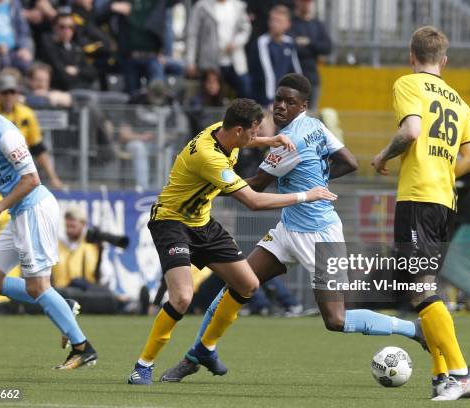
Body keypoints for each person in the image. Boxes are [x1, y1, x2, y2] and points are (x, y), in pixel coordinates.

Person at [158, 74, 425, 383]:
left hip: (321, 235)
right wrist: (315, 183)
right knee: (240, 284)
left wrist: (209, 182)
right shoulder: (316, 126)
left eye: (289, 102)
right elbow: (349, 161)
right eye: (278, 100)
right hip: (288, 229)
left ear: (303, 105)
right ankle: (198, 353)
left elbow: (254, 189)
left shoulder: (290, 143)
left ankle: (412, 330)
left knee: (336, 320)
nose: (281, 107)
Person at [127, 97, 337, 385]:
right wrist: (306, 195)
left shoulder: (223, 131)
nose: (255, 136)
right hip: (171, 222)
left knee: (248, 284)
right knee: (183, 297)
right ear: (239, 130)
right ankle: (143, 366)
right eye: (253, 131)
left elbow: (247, 141)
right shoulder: (208, 156)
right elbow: (252, 201)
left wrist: (270, 139)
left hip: (202, 222)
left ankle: (205, 348)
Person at [369, 26, 470, 400]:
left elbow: (412, 131)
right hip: (444, 201)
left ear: (411, 56)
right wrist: (446, 171)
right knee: (424, 287)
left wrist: (383, 156)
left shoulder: (409, 83)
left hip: (417, 197)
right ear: (444, 60)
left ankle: (462, 373)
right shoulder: (459, 101)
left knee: (419, 290)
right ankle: (441, 376)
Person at [0, 76, 97, 369]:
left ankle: (82, 347)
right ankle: (61, 304)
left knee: (38, 287)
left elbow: (32, 179)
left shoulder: (6, 134)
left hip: (34, 209)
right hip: (17, 212)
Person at [0, 74, 64, 189]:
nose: (9, 96)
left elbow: (38, 148)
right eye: (5, 93)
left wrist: (53, 178)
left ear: (17, 94)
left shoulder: (26, 114)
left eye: (12, 92)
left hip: (19, 169)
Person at [186, 0, 252, 98]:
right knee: (210, 97)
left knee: (245, 90)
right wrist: (190, 61)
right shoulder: (202, 6)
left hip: (234, 61)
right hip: (209, 63)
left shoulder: (238, 6)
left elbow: (246, 29)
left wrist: (236, 43)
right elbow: (192, 35)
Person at [249, 5, 302, 106]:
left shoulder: (289, 43)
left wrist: (300, 96)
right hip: (263, 100)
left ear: (287, 24)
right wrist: (270, 101)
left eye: (279, 21)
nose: (274, 24)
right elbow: (267, 74)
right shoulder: (262, 42)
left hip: (284, 99)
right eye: (272, 20)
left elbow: (297, 72)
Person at [289, 0, 332, 109]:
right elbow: (292, 48)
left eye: (308, 2)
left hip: (312, 79)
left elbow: (327, 48)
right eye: (303, 2)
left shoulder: (317, 24)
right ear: (297, 2)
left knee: (311, 115)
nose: (306, 4)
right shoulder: (291, 23)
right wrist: (314, 48)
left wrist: (309, 42)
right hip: (293, 79)